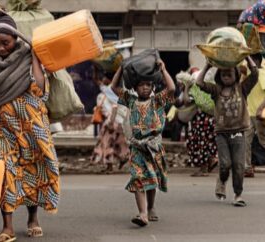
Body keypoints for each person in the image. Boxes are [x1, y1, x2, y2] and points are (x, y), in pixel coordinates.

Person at [0, 11, 60, 242]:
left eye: (5, 43)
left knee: (34, 171)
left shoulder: (28, 56)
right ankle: (7, 226)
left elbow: (41, 89)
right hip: (4, 129)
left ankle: (33, 218)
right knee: (6, 173)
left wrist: (37, 59)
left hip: (34, 127)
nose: (1, 48)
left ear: (16, 39)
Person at [111, 59, 176, 227]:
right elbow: (114, 88)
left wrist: (163, 70)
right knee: (138, 178)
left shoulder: (157, 101)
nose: (145, 88)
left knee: (152, 180)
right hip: (137, 148)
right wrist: (120, 68)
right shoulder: (131, 100)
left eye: (148, 85)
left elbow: (172, 89)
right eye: (141, 85)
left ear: (153, 87)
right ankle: (143, 214)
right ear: (135, 87)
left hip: (153, 148)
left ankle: (151, 206)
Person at [196, 57, 258, 207]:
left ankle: (238, 194)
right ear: (219, 76)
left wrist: (247, 57)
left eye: (229, 74)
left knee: (238, 165)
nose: (226, 77)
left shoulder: (242, 88)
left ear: (236, 75)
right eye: (223, 74)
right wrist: (206, 66)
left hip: (239, 133)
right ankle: (222, 180)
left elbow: (255, 74)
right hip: (222, 133)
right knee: (225, 164)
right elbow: (199, 83)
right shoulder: (216, 90)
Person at [176, 69, 218, 177]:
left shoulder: (196, 91)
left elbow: (186, 101)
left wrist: (187, 87)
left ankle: (203, 169)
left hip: (200, 121)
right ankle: (212, 160)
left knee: (199, 144)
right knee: (209, 142)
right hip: (211, 119)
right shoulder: (210, 89)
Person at [92, 72, 129, 173]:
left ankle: (110, 167)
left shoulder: (105, 93)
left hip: (111, 122)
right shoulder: (121, 92)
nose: (103, 81)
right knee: (120, 144)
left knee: (107, 144)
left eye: (105, 79)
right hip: (121, 123)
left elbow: (105, 109)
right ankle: (123, 157)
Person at [244, 53, 265, 177]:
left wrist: (260, 108)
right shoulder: (248, 74)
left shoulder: (262, 73)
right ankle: (247, 168)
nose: (248, 64)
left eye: (250, 61)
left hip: (259, 113)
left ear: (256, 61)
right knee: (246, 140)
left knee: (263, 141)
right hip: (249, 113)